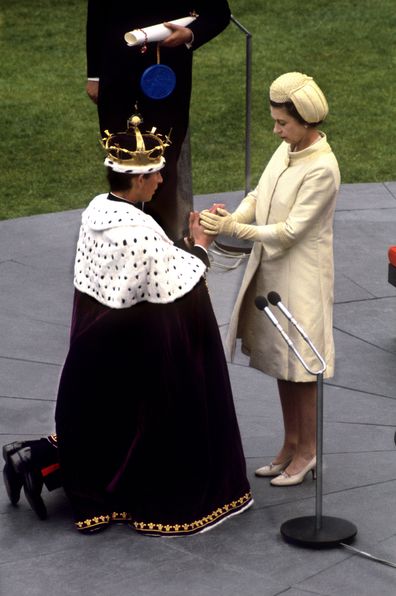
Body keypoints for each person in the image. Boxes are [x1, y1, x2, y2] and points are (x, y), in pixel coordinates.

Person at [3, 115, 252, 534]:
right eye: (156, 174)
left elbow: (150, 270)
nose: (160, 181)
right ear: (138, 180)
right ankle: (38, 463)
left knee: (102, 424)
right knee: (140, 425)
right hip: (129, 347)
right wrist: (202, 248)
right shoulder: (136, 229)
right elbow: (177, 286)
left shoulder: (97, 212)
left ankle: (30, 459)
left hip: (96, 342)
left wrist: (182, 248)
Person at [200, 72, 340, 487]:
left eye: (282, 122)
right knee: (283, 363)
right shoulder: (286, 149)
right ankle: (291, 444)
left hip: (302, 277)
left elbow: (291, 231)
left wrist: (232, 230)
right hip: (274, 268)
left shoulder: (323, 169)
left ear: (306, 121)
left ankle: (309, 453)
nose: (276, 130)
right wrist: (231, 218)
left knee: (301, 365)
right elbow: (258, 197)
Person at [85, 1, 231, 240]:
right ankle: (121, 240)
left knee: (162, 165)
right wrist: (94, 75)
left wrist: (191, 34)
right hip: (116, 75)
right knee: (121, 161)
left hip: (166, 77)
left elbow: (218, 13)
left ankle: (163, 246)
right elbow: (97, 12)